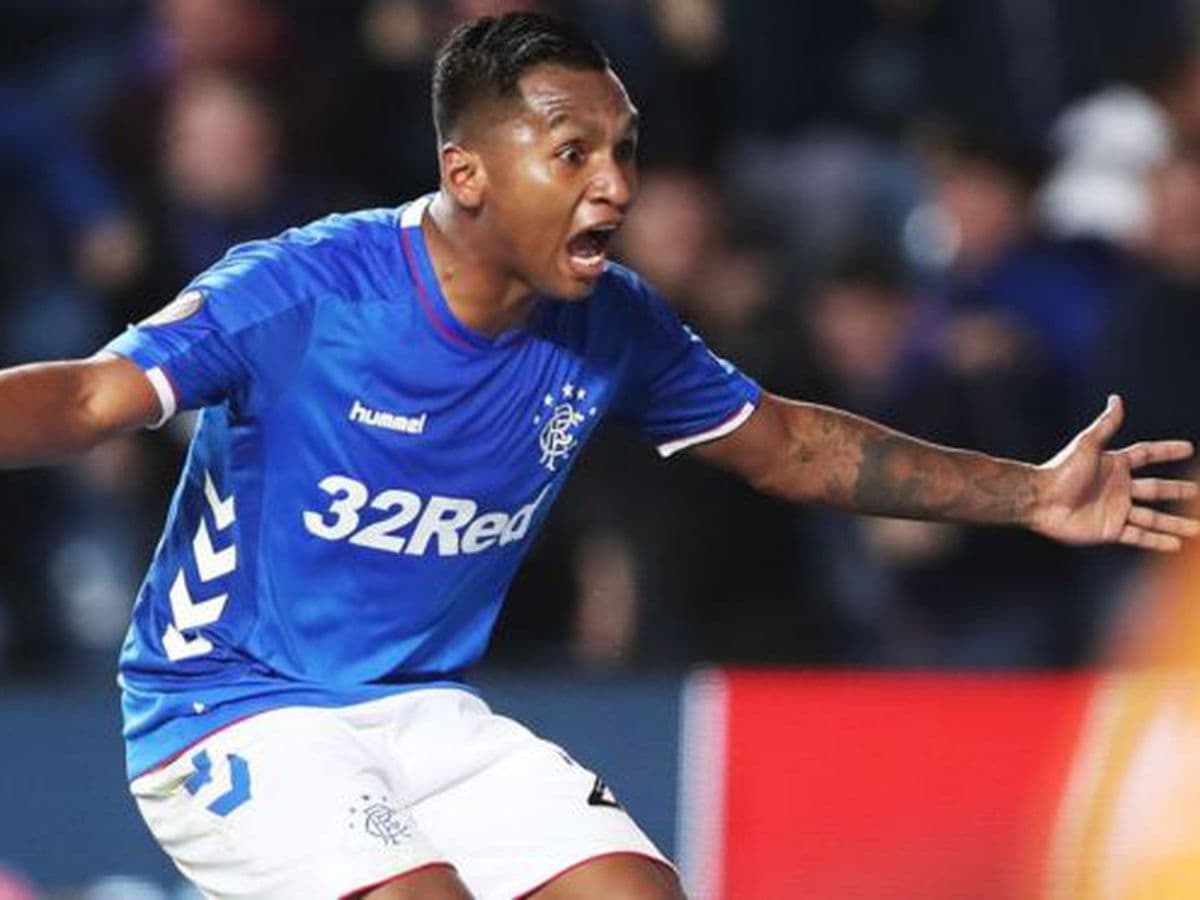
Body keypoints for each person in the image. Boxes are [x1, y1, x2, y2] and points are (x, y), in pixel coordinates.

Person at [0, 12, 1195, 900]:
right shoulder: (309, 289)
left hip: (419, 709)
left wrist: (1033, 492)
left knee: (633, 891)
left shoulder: (612, 323)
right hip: (229, 708)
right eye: (572, 153)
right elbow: (95, 394)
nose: (615, 187)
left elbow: (789, 447)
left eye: (624, 151)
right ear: (467, 173)